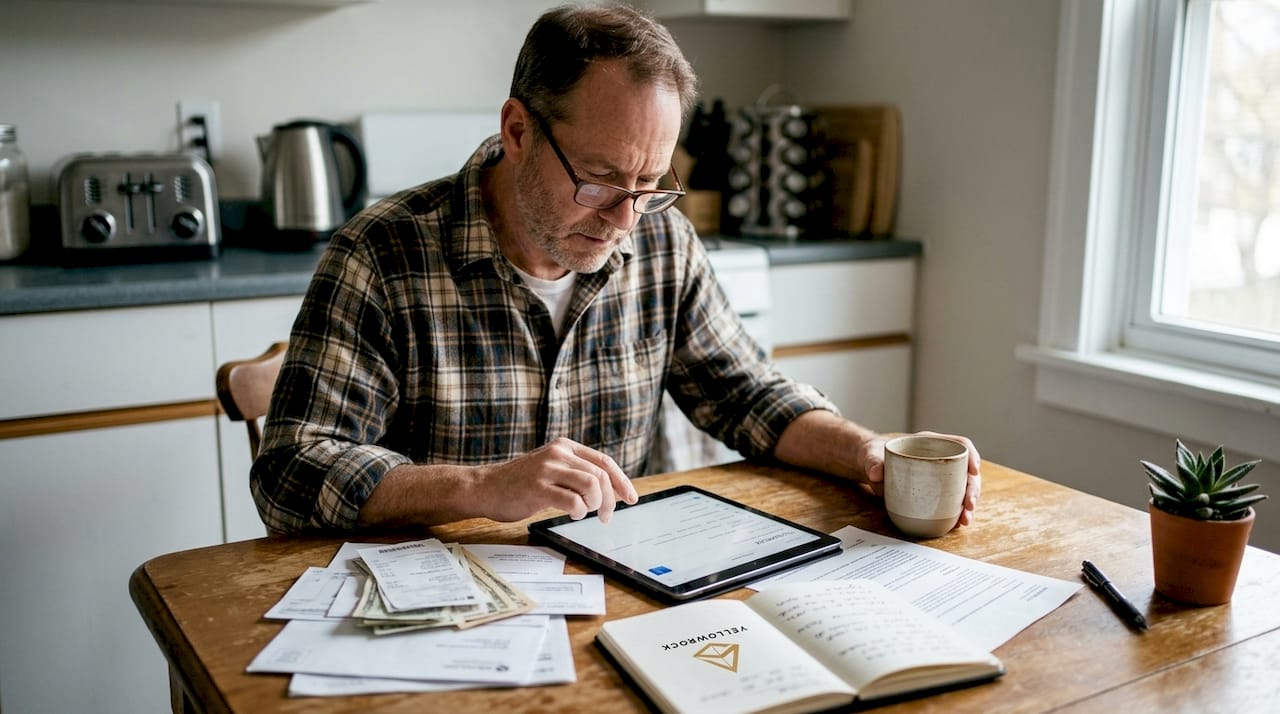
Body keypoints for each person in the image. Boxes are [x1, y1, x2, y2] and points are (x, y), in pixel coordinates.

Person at [251, 3, 981, 534]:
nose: (625, 219)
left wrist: (868, 451)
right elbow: (289, 472)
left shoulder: (661, 245)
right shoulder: (381, 256)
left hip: (619, 585)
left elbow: (744, 393)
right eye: (599, 180)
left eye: (649, 187)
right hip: (442, 615)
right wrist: (479, 487)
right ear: (517, 131)